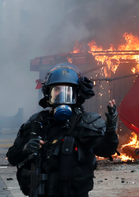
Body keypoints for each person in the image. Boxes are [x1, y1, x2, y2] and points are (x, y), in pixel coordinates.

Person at [7, 63, 119, 197]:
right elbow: (12, 157)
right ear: (48, 95)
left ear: (77, 95)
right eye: (57, 92)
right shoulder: (37, 123)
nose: (62, 97)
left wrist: (111, 129)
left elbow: (105, 150)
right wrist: (26, 148)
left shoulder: (86, 122)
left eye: (67, 92)